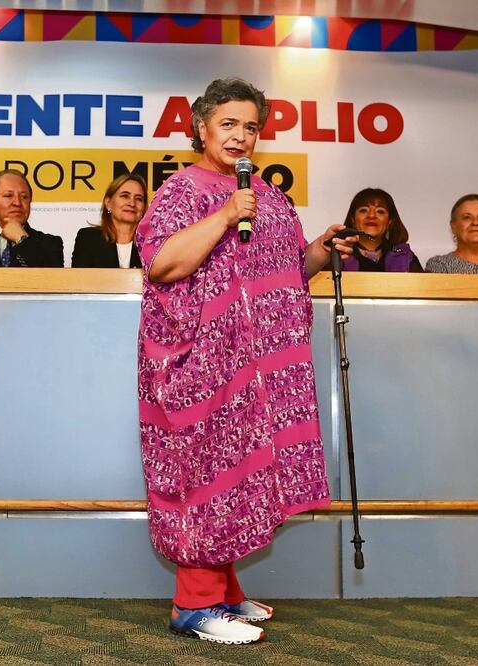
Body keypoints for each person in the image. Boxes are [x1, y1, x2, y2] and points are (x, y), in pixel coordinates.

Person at [136, 77, 352, 645]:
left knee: (247, 467)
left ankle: (225, 591)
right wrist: (227, 213)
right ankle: (194, 604)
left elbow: (280, 275)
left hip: (257, 363)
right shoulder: (182, 190)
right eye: (228, 124)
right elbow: (161, 264)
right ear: (201, 127)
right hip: (205, 361)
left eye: (250, 126)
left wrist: (320, 251)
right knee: (207, 469)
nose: (240, 136)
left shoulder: (267, 193)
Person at [71, 174, 147, 268]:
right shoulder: (88, 238)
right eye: (125, 196)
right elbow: (78, 280)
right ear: (108, 203)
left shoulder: (153, 243)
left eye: (139, 199)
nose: (132, 203)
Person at [339, 187, 423, 272]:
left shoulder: (404, 256)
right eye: (363, 210)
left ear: (390, 221)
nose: (371, 216)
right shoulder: (338, 252)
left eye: (380, 211)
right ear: (353, 219)